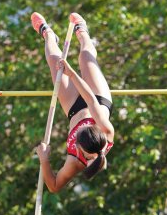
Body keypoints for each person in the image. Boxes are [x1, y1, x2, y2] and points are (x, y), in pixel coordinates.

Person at [31, 12, 114, 193]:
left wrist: (44, 159)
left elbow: (53, 186)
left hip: (74, 109)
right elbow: (90, 98)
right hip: (98, 99)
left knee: (55, 62)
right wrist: (71, 73)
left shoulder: (75, 162)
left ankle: (48, 34)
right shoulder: (105, 131)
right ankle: (82, 30)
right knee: (85, 57)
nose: (73, 142)